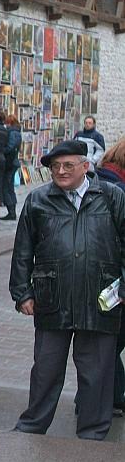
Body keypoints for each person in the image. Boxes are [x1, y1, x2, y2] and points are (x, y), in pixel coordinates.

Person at [11, 140, 125, 440]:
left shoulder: (111, 196)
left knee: (97, 372)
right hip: (52, 296)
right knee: (46, 368)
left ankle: (92, 430)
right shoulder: (38, 200)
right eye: (55, 167)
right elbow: (23, 250)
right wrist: (22, 292)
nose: (61, 171)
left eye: (68, 165)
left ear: (85, 166)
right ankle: (33, 424)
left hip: (100, 297)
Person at [96, 139, 125, 416]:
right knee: (110, 342)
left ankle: (106, 396)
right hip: (112, 279)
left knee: (110, 342)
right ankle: (107, 397)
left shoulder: (105, 179)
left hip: (110, 277)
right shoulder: (115, 188)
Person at [0, 114, 22, 220]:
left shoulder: (12, 132)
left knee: (7, 187)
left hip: (10, 163)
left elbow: (10, 147)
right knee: (10, 187)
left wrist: (2, 151)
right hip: (13, 162)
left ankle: (11, 212)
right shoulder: (17, 132)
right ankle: (12, 211)